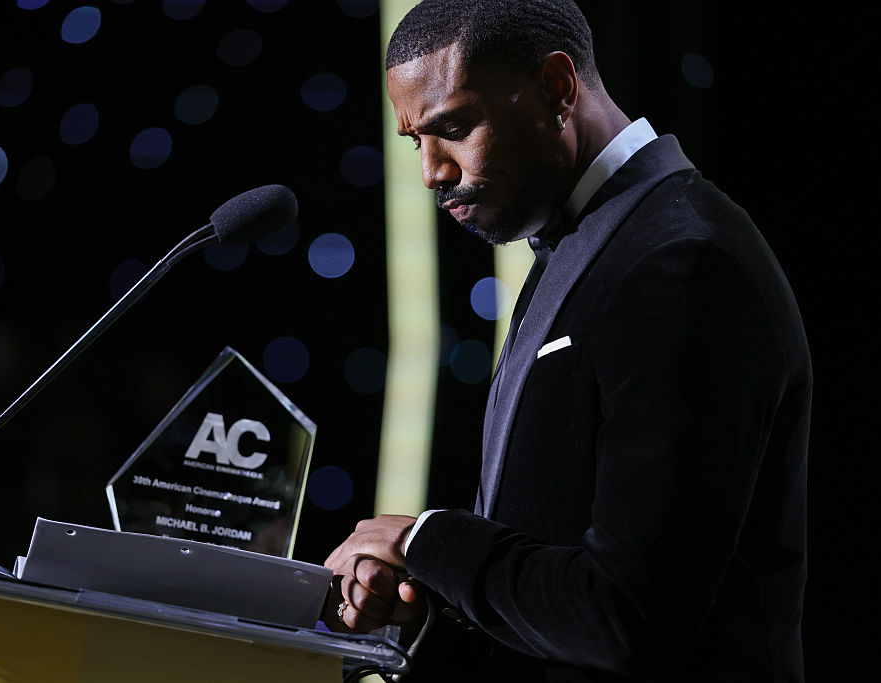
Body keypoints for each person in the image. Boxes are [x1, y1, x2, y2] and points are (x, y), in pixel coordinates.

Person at [323, 1, 811, 681]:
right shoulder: (589, 241)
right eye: (416, 141)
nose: (432, 171)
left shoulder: (680, 259)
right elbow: (554, 554)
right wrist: (430, 602)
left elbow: (628, 615)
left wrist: (431, 540)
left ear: (557, 88)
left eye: (454, 128)